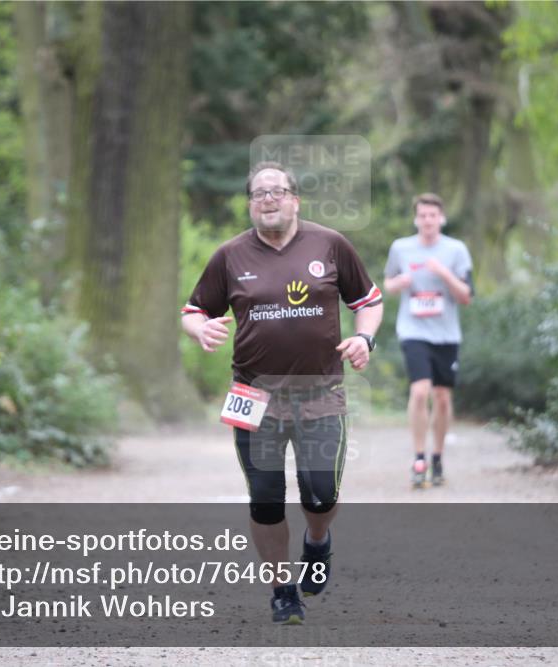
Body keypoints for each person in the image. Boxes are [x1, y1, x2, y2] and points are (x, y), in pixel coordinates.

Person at [181, 161, 383, 624]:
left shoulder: (330, 245)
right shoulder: (229, 256)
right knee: (265, 496)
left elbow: (368, 301)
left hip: (320, 391)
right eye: (258, 193)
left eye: (277, 191)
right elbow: (192, 309)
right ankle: (281, 590)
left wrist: (364, 338)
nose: (268, 199)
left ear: (295, 199)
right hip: (253, 394)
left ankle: (317, 542)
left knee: (321, 492)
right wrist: (200, 328)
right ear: (250, 204)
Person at [383, 193, 473, 488]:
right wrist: (400, 283)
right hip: (413, 331)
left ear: (441, 218)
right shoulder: (401, 248)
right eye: (422, 215)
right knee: (420, 391)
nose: (427, 221)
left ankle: (437, 457)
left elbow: (466, 296)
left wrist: (443, 273)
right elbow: (388, 283)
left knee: (443, 399)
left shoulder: (456, 250)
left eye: (432, 216)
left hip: (446, 334)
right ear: (416, 219)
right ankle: (419, 457)